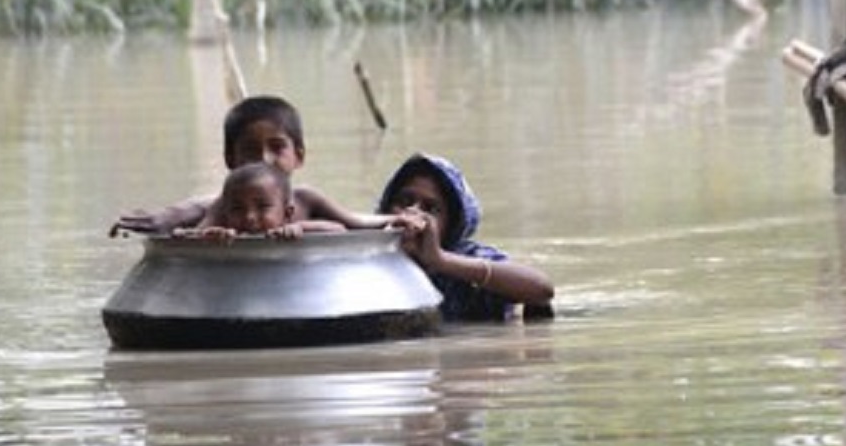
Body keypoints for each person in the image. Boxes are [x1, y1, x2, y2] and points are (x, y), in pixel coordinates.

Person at [110, 95, 404, 236]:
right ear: (230, 160)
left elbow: (352, 226)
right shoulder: (225, 205)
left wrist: (399, 220)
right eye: (250, 150)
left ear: (299, 155)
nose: (264, 160)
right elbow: (193, 236)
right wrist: (211, 236)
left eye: (277, 148)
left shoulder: (307, 199)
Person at [377, 153, 554, 321]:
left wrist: (440, 260)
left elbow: (542, 289)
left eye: (430, 209)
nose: (412, 213)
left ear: (451, 225)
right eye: (404, 202)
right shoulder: (372, 260)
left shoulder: (466, 259)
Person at [172, 162, 345, 241]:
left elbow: (339, 230)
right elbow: (188, 236)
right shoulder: (229, 237)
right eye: (237, 209)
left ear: (287, 213)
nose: (249, 217)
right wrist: (210, 237)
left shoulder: (288, 233)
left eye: (263, 207)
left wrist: (301, 228)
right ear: (226, 214)